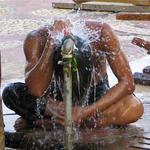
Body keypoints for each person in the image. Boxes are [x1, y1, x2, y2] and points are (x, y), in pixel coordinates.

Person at [2, 16, 144, 130]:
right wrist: (51, 43)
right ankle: (70, 119)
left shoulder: (101, 33)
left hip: (93, 93)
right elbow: (36, 90)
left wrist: (86, 112)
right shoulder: (36, 38)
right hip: (55, 99)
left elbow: (127, 82)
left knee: (134, 107)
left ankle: (53, 122)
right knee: (10, 92)